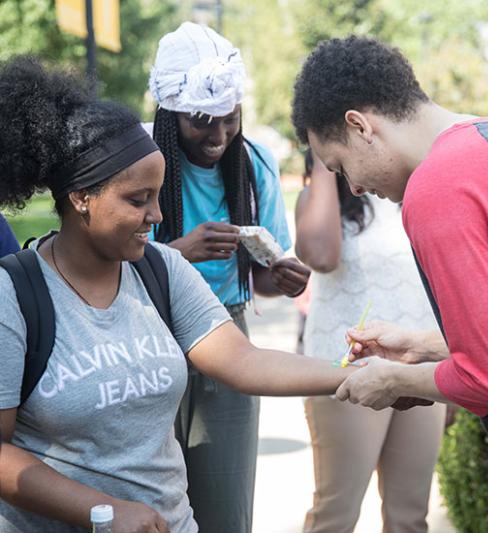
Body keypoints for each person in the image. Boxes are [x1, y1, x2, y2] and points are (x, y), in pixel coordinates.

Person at [0, 56, 357, 533]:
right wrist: (101, 512)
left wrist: (355, 374)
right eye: (137, 200)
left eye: (158, 195)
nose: (157, 215)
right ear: (81, 197)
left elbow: (244, 361)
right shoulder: (14, 295)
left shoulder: (160, 268)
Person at [291, 35, 488, 532]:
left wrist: (394, 380)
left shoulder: (438, 186)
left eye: (340, 166)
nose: (354, 188)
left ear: (359, 126)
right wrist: (424, 346)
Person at [147, 22, 310, 533]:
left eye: (228, 118)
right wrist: (178, 254)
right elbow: (108, 274)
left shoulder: (253, 162)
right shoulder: (143, 164)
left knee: (225, 505)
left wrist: (279, 278)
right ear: (170, 115)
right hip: (153, 336)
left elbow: (259, 283)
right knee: (151, 506)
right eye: (201, 120)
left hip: (227, 332)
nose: (217, 136)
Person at [295, 150, 445, 533]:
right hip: (347, 370)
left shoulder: (415, 190)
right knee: (336, 513)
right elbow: (321, 256)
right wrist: (324, 160)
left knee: (410, 516)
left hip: (421, 368)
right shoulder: (320, 196)